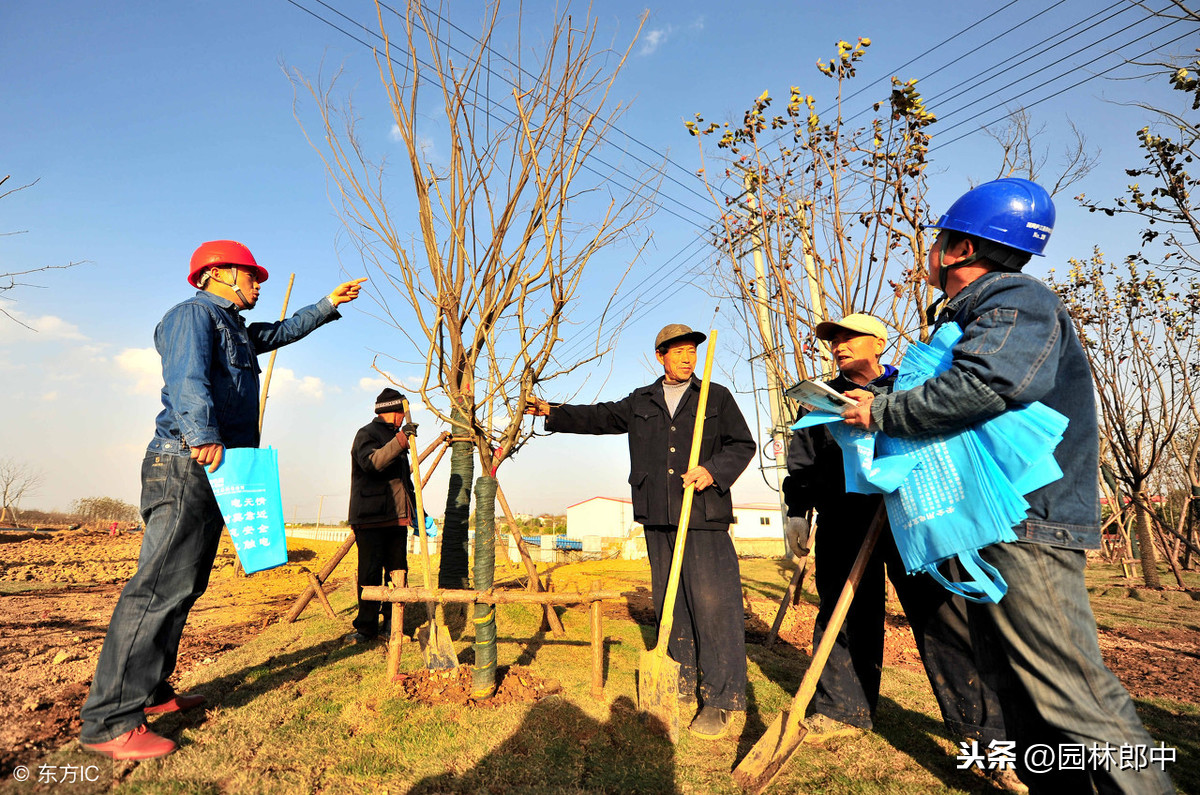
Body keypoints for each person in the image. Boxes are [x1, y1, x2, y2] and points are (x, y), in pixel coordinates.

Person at [842, 178, 1174, 794]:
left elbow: (985, 386)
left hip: (1028, 523)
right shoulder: (973, 316)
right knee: (1019, 695)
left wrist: (881, 414)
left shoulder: (1015, 298)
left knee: (1076, 695)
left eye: (939, 240)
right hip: (994, 527)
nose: (930, 251)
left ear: (962, 249)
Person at [80, 240, 366, 761]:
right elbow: (186, 378)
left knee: (186, 584)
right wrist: (203, 434)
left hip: (211, 465)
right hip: (188, 460)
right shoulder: (193, 315)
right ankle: (109, 721)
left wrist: (327, 304)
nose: (259, 283)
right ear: (219, 273)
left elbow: (279, 332)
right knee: (157, 588)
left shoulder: (232, 326)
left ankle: (154, 692)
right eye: (252, 275)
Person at [784, 313, 1012, 775]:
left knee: (942, 617)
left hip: (914, 517)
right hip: (844, 519)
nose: (840, 346)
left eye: (850, 338)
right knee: (844, 613)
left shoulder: (913, 386)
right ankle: (840, 708)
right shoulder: (817, 401)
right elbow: (803, 461)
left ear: (879, 342)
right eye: (834, 340)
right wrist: (796, 509)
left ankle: (984, 735)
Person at [525, 324, 756, 739]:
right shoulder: (641, 400)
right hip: (658, 514)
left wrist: (711, 471)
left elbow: (742, 445)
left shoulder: (714, 397)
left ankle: (721, 697)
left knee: (713, 607)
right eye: (679, 352)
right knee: (672, 603)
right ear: (660, 356)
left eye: (692, 352)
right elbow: (599, 417)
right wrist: (550, 411)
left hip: (701, 514)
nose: (687, 358)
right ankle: (682, 681)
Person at [347, 387, 416, 642]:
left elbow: (402, 480)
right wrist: (400, 441)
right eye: (400, 413)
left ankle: (393, 624)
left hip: (396, 517)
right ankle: (366, 628)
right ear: (392, 412)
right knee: (370, 574)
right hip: (371, 517)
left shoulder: (396, 435)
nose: (401, 418)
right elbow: (372, 463)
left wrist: (416, 511)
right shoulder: (366, 434)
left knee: (398, 572)